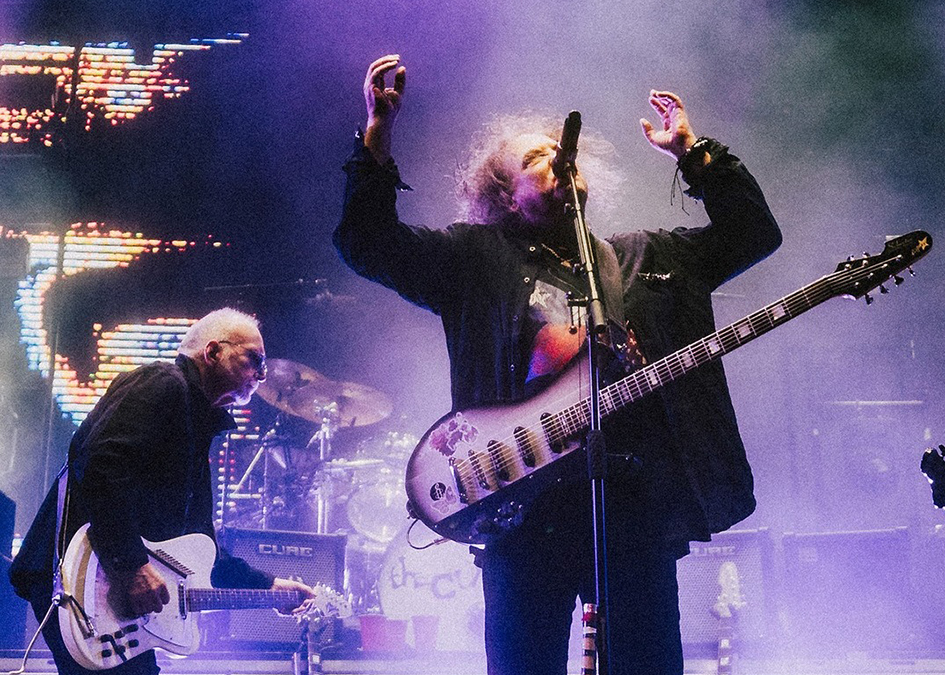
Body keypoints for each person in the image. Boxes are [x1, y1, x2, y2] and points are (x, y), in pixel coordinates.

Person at [335, 54, 782, 675]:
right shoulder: (474, 260)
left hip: (630, 512)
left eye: (558, 150)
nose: (555, 157)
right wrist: (376, 140)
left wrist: (694, 153)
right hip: (522, 516)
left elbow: (753, 233)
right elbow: (367, 244)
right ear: (506, 197)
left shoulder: (644, 259)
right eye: (534, 158)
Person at [9, 307, 314, 675]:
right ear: (213, 352)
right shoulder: (163, 383)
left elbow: (199, 549)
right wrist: (132, 566)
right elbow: (101, 463)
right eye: (255, 359)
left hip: (102, 578)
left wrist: (267, 587)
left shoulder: (196, 423)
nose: (262, 375)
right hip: (80, 573)